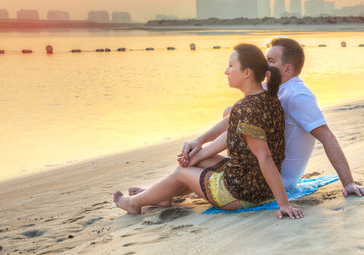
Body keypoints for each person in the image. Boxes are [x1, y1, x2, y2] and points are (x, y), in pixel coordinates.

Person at [114, 43, 304, 219]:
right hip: (254, 182)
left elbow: (266, 158)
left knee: (182, 172)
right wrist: (199, 150)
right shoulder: (268, 98)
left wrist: (284, 205)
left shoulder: (246, 109)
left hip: (244, 193)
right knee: (198, 159)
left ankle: (133, 203)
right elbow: (231, 135)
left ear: (246, 72)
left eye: (231, 66)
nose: (226, 71)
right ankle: (160, 195)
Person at [177, 38, 364, 197]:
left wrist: (348, 183)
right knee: (231, 110)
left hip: (275, 177)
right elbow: (235, 117)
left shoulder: (298, 96)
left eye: (270, 62)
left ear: (287, 69)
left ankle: (162, 192)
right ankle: (163, 192)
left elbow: (327, 137)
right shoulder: (272, 87)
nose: (264, 66)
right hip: (257, 165)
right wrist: (200, 140)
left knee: (195, 159)